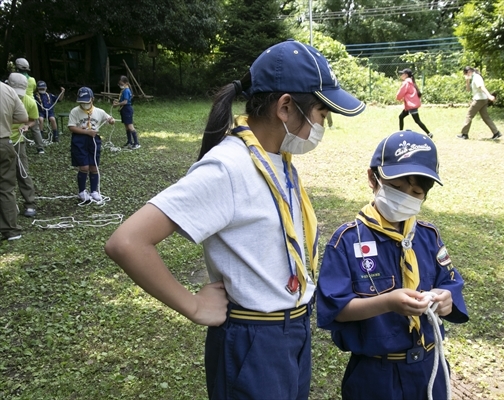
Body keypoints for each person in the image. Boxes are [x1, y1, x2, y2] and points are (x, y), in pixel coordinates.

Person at [105, 39, 364, 399]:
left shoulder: (279, 159)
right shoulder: (228, 167)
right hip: (253, 340)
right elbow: (127, 242)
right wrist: (193, 305)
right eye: (322, 113)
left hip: (293, 329)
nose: (324, 125)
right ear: (286, 107)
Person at [316, 130, 468, 399]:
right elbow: (336, 309)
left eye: (416, 192)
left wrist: (447, 300)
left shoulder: (428, 236)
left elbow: (449, 282)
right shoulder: (347, 241)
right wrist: (387, 302)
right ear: (372, 178)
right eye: (396, 188)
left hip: (429, 369)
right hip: (375, 374)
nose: (405, 196)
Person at [67, 87, 115, 202]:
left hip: (94, 141)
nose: (85, 104)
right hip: (79, 140)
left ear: (92, 99)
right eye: (82, 102)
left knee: (94, 166)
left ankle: (94, 191)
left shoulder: (99, 111)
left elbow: (109, 118)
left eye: (87, 102)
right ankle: (82, 192)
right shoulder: (75, 111)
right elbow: (71, 127)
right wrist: (86, 132)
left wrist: (111, 120)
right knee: (84, 166)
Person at [0, 81, 29, 241]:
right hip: (4, 142)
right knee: (5, 187)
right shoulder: (7, 90)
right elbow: (22, 117)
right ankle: (11, 230)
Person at [8, 73, 39, 218]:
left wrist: (27, 126)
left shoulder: (29, 102)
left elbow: (33, 119)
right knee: (5, 175)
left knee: (22, 171)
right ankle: (8, 206)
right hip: (3, 140)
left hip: (18, 141)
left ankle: (30, 203)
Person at [456, 66, 501, 140]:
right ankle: (496, 133)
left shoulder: (476, 77)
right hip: (482, 99)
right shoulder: (473, 77)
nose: (466, 76)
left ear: (469, 72)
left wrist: (489, 95)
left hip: (479, 100)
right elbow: (468, 90)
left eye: (465, 74)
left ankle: (464, 134)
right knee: (485, 117)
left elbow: (482, 87)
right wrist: (467, 81)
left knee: (469, 116)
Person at [15, 57, 45, 153]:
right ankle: (40, 147)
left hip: (19, 102)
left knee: (18, 124)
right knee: (34, 126)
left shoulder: (14, 78)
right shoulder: (32, 80)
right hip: (31, 104)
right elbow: (34, 89)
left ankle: (20, 144)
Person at [396, 68, 433, 138]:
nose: (401, 75)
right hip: (409, 106)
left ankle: (429, 133)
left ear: (406, 75)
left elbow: (401, 92)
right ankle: (400, 133)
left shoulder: (406, 83)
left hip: (411, 106)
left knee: (417, 121)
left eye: (402, 74)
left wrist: (398, 97)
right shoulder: (412, 82)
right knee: (401, 116)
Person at [113, 76, 140, 149]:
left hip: (127, 109)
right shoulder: (124, 90)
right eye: (119, 83)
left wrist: (117, 104)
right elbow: (122, 100)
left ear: (125, 83)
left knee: (130, 126)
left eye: (121, 83)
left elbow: (125, 102)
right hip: (124, 109)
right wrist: (117, 102)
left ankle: (136, 143)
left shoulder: (126, 90)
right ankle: (129, 142)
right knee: (126, 127)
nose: (120, 85)